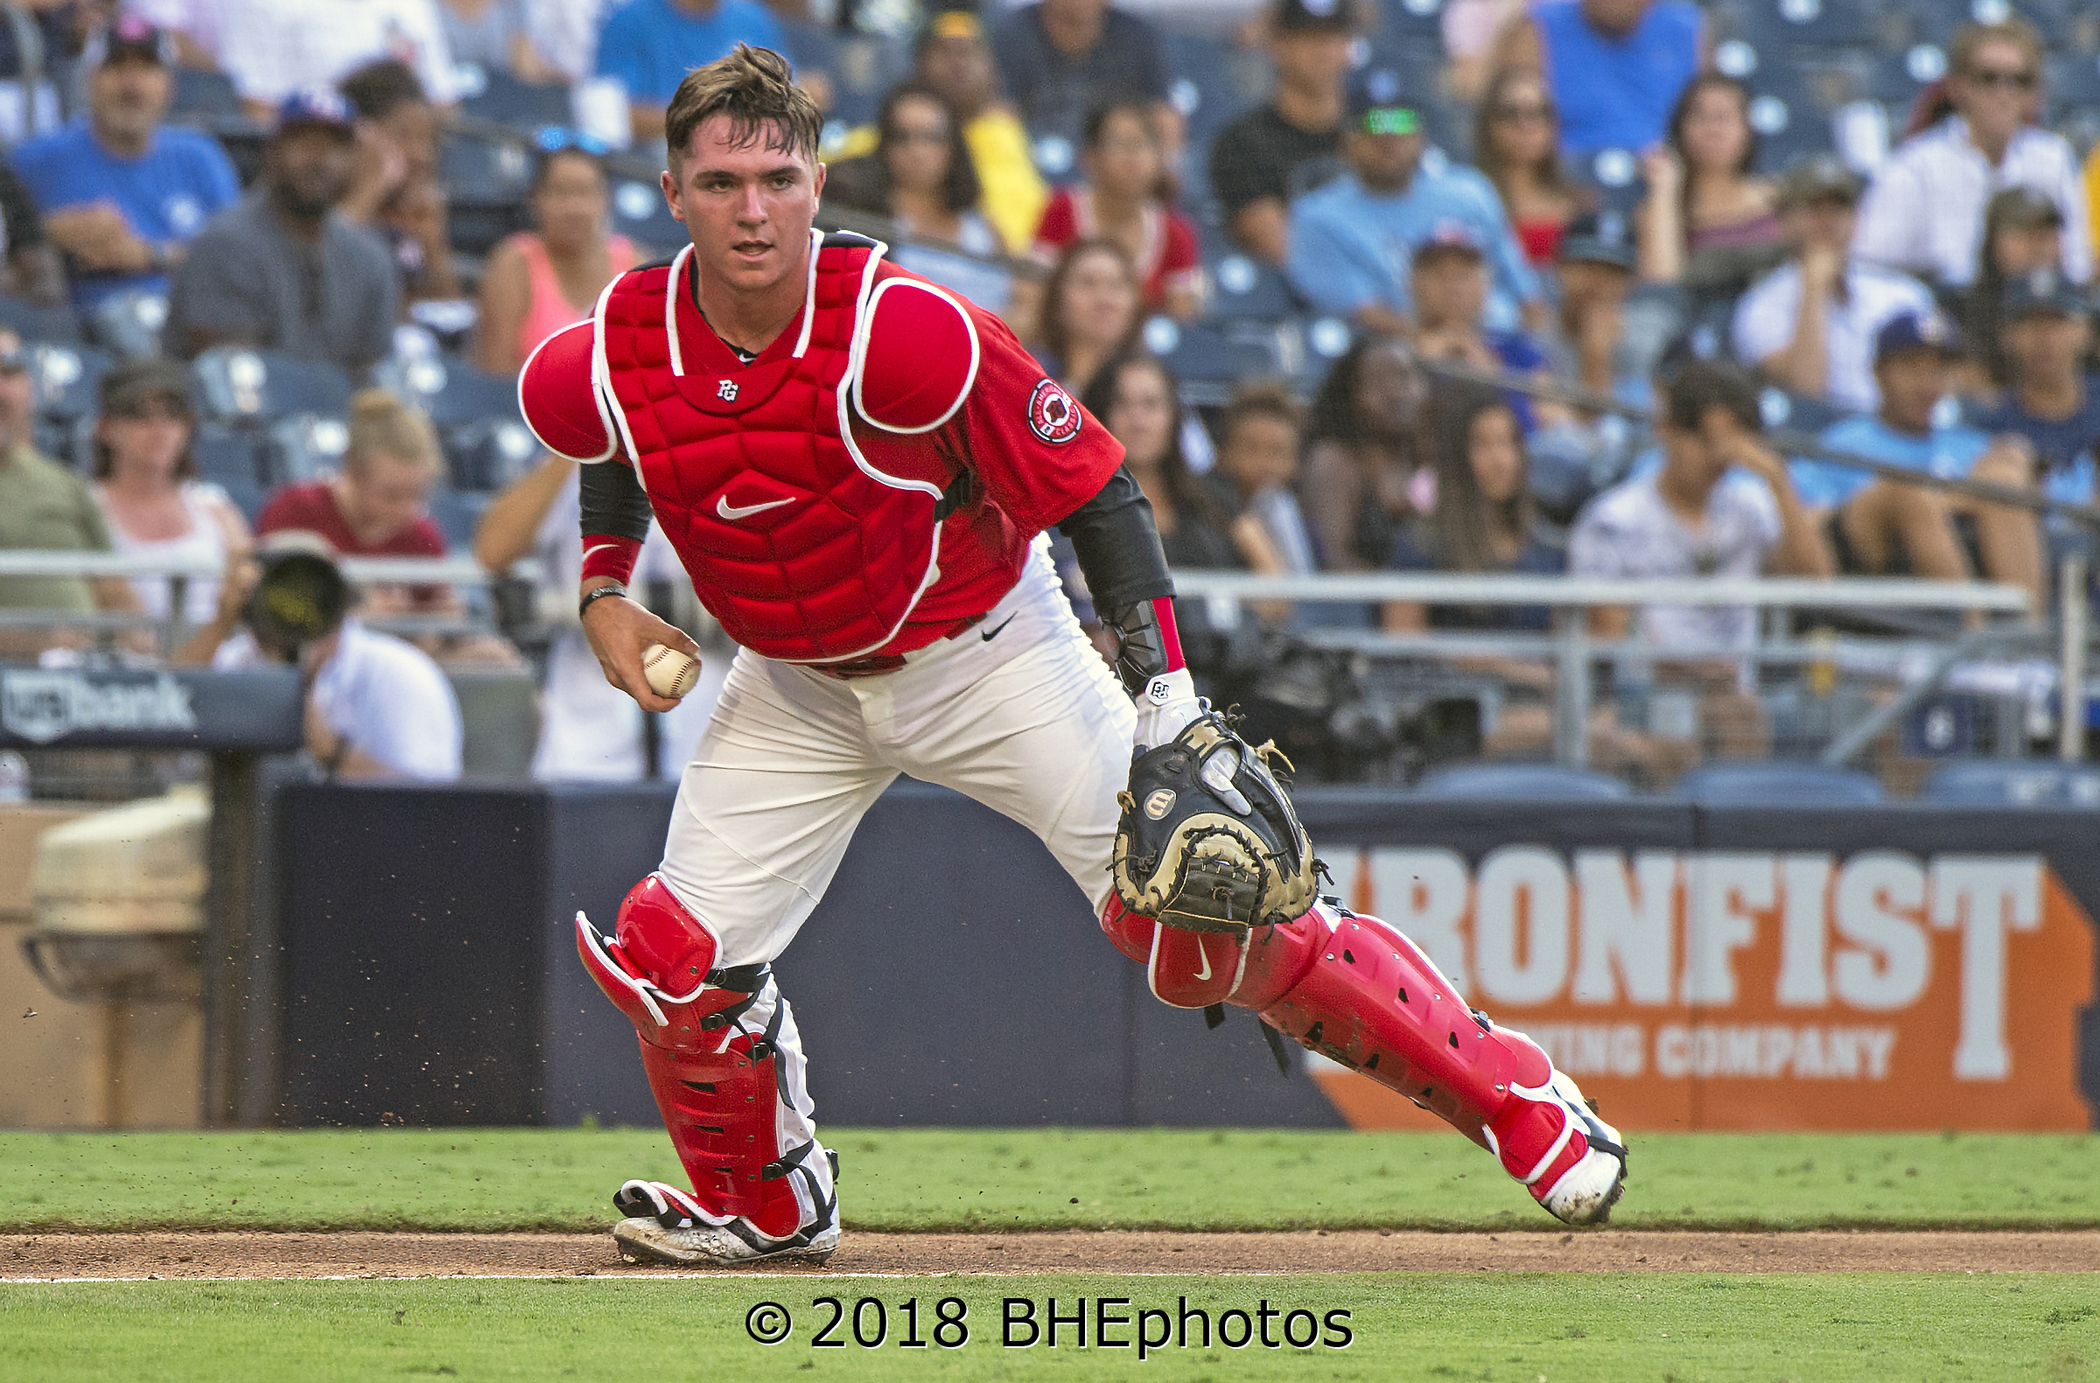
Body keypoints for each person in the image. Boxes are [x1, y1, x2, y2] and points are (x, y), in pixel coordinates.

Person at [518, 44, 1627, 1267]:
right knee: (673, 959)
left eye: (778, 179)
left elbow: (1097, 487)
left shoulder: (906, 331)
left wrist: (1168, 699)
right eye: (722, 183)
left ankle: (1518, 1100)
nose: (753, 210)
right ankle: (769, 1215)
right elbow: (615, 436)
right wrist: (604, 587)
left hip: (988, 652)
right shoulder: (616, 342)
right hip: (794, 686)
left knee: (1207, 919)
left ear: (818, 185)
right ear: (672, 195)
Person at [1570, 360, 1824, 745]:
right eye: (1706, 440)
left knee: (1749, 713)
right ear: (1668, 429)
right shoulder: (1615, 518)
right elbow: (1608, 633)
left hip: (1737, 697)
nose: (1718, 457)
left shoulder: (1750, 507)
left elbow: (1816, 583)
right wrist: (1687, 669)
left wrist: (1776, 477)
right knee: (1717, 718)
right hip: (1643, 702)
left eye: (1733, 444)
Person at [474, 451, 717, 779]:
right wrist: (581, 444)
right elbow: (493, 551)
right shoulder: (581, 456)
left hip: (710, 721)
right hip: (589, 733)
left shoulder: (722, 449)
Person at [1790, 311, 2041, 604]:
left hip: (1966, 554)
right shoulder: (1843, 442)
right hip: (1871, 568)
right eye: (1911, 368)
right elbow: (1811, 520)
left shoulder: (1970, 444)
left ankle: (2029, 627)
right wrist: (1944, 497)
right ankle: (1969, 627)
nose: (1926, 384)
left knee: (2005, 476)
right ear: (1880, 372)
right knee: (1906, 490)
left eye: (1937, 371)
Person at [12, 18, 242, 313]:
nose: (132, 85)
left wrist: (149, 254)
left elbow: (240, 255)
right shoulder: (37, 160)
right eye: (116, 66)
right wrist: (44, 233)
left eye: (146, 69)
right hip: (78, 324)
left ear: (170, 86)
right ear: (88, 79)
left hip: (187, 323)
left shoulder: (200, 156)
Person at [164, 89, 402, 372]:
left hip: (335, 401)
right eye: (304, 143)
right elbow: (230, 375)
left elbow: (374, 375)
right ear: (272, 151)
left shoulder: (369, 257)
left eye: (334, 147)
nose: (319, 160)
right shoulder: (225, 243)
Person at [192, 536, 464, 780]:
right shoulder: (235, 661)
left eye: (310, 590)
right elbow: (171, 720)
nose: (297, 608)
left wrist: (329, 747)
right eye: (282, 592)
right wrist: (222, 620)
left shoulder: (398, 672)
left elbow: (430, 798)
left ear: (340, 597)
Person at [1287, 86, 1546, 340]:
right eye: (1372, 125)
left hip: (1502, 342)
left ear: (1422, 137)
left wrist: (1528, 352)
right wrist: (1445, 346)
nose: (1388, 139)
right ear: (1346, 142)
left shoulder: (1470, 192)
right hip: (1396, 350)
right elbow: (1365, 314)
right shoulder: (1317, 217)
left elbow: (1527, 295)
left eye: (1402, 124)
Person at [1853, 21, 2088, 292]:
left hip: (2033, 304)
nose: (2004, 93)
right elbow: (1868, 268)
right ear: (1957, 87)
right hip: (1942, 305)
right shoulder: (1915, 166)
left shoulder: (2053, 157)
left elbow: (2078, 264)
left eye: (2020, 81)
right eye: (1989, 78)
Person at [1730, 155, 1937, 413]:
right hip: (1819, 433)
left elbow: (1938, 382)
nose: (1827, 220)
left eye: (1838, 208)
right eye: (1814, 208)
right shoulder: (1760, 305)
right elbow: (1806, 391)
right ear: (1784, 220)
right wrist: (1813, 289)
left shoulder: (1903, 293)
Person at [0, 327, 143, 652]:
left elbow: (113, 587)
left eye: (9, 373)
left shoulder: (66, 483)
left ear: (29, 387)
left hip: (86, 669)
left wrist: (136, 637)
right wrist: (35, 645)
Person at [89, 358, 251, 627]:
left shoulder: (215, 507)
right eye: (139, 414)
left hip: (223, 650)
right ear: (106, 428)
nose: (159, 427)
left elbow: (246, 594)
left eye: (173, 413)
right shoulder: (86, 507)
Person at [1209, 0, 1357, 267]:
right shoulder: (1242, 143)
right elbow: (1281, 249)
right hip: (1295, 288)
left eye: (1333, 36)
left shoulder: (1371, 128)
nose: (1323, 50)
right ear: (1278, 45)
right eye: (1308, 37)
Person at [476, 144, 639, 374]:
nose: (573, 208)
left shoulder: (634, 263)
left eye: (585, 192)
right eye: (560, 193)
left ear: (606, 199)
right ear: (535, 199)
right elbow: (495, 373)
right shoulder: (513, 264)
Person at [1031, 101, 1202, 318]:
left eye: (1142, 144)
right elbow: (1033, 299)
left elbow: (1182, 320)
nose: (1132, 158)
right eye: (1119, 144)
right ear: (1090, 157)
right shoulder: (1061, 211)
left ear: (1160, 158)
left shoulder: (1177, 233)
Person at [905, 9, 1046, 256]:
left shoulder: (1010, 131)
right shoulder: (897, 136)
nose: (959, 63)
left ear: (994, 71)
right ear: (918, 66)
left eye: (969, 52)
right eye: (946, 52)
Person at [1493, 0, 1704, 160]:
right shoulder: (1537, 27)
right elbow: (1509, 115)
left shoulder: (1688, 27)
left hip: (1666, 174)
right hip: (1564, 176)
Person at [1635, 73, 1782, 288]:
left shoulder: (1779, 202)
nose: (1713, 130)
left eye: (1724, 117)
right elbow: (1661, 286)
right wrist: (1664, 190)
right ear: (1680, 128)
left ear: (1748, 128)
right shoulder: (1659, 209)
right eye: (1700, 117)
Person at [1971, 268, 2100, 509]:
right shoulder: (1990, 423)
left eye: (2057, 322)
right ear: (2007, 335)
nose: (2044, 338)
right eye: (2029, 323)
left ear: (2085, 332)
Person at [1300, 334, 1429, 572]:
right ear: (1350, 393)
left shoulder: (1430, 457)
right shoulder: (1333, 461)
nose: (1395, 392)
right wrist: (1398, 591)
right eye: (1378, 381)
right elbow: (1333, 559)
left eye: (1404, 376)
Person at [824, 82, 1000, 256]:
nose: (917, 152)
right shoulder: (861, 218)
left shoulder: (980, 223)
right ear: (885, 145)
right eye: (901, 137)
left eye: (932, 137)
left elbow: (1014, 273)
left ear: (954, 144)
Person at [337, 60, 461, 305]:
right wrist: (369, 190)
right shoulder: (324, 202)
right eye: (404, 135)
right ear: (360, 134)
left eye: (429, 140)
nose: (423, 154)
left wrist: (433, 247)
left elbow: (448, 312)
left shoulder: (419, 216)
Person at [1409, 226, 1555, 433]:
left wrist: (1490, 374)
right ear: (1416, 284)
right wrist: (1422, 363)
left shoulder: (1517, 350)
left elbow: (1556, 423)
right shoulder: (1393, 351)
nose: (1452, 287)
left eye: (1463, 275)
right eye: (1439, 274)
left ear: (1484, 286)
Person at [217, 0, 460, 121]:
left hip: (403, 170)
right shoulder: (266, 4)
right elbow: (257, 112)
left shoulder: (414, 5)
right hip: (317, 160)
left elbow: (444, 105)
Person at [594, 0, 784, 148]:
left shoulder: (753, 19)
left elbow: (781, 97)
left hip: (748, 149)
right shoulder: (629, 21)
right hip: (655, 157)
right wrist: (713, 121)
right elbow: (612, 115)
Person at [990, 0, 1172, 153]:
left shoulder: (1138, 37)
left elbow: (1163, 117)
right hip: (1032, 160)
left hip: (1113, 162)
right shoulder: (1011, 36)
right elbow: (997, 115)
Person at [1473, 67, 1587, 267]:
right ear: (1488, 124)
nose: (1525, 125)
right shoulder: (1470, 199)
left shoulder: (1582, 203)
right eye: (1510, 113)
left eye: (1538, 113)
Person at [1962, 186, 2063, 391]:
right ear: (1994, 241)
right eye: (2026, 233)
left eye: (2047, 233)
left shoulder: (2079, 306)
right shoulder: (1965, 311)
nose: (2039, 244)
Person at [1032, 238, 1142, 399]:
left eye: (1116, 285)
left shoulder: (1148, 390)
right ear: (1057, 299)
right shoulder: (1029, 376)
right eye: (1088, 283)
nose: (1105, 300)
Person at [436, 0, 529, 73]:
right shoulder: (430, 10)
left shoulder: (512, 6)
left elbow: (526, 67)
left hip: (504, 84)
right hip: (448, 86)